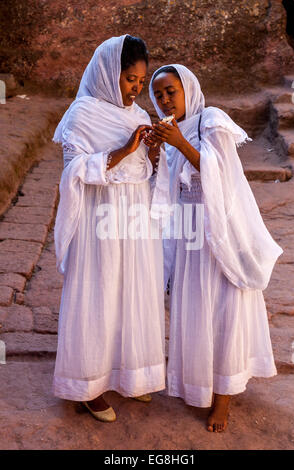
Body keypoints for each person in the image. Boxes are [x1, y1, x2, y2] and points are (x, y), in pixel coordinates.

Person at [147, 64, 283, 432]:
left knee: (224, 307)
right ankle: (200, 383)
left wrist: (178, 143)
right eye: (157, 94)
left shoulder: (212, 121)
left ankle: (224, 397)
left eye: (170, 91)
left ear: (188, 88)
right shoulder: (171, 130)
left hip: (221, 229)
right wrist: (157, 153)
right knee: (194, 307)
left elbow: (220, 174)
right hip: (189, 232)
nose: (164, 99)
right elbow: (170, 187)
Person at [51, 35, 170, 422]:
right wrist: (123, 149)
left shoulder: (136, 115)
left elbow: (142, 172)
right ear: (108, 73)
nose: (137, 89)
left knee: (134, 289)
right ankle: (87, 386)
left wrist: (149, 149)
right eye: (130, 79)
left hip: (134, 216)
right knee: (99, 292)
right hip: (99, 217)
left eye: (141, 81)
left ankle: (129, 374)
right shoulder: (82, 113)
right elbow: (73, 170)